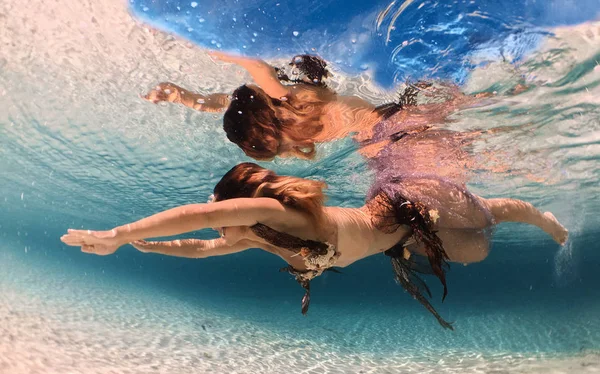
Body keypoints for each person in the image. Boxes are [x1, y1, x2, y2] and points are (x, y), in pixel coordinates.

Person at [60, 163, 568, 330]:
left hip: (407, 202)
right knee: (478, 251)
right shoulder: (261, 240)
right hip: (405, 237)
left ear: (241, 205)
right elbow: (201, 245)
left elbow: (204, 218)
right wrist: (143, 249)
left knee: (488, 215)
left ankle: (541, 216)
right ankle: (521, 216)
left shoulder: (282, 214)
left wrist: (119, 234)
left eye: (225, 212)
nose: (222, 230)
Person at [143, 52, 493, 168]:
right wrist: (184, 95)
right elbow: (234, 96)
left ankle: (488, 126)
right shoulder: (289, 113)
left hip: (368, 121)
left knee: (448, 131)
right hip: (378, 120)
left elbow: (246, 84)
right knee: (228, 104)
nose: (286, 153)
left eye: (280, 148)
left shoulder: (290, 107)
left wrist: (184, 95)